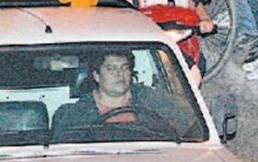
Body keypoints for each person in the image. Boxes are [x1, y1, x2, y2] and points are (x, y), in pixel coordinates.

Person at [51, 50, 189, 137]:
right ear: (97, 75)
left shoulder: (154, 101)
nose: (120, 74)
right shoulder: (75, 115)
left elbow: (189, 127)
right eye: (111, 69)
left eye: (124, 68)